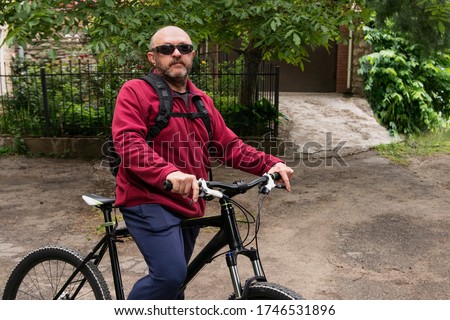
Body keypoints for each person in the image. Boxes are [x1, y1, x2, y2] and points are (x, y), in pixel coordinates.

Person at [111, 25, 294, 300]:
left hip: (189, 200)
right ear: (153, 58)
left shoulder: (201, 101)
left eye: (183, 48)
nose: (176, 54)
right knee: (169, 276)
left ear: (192, 55)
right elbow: (129, 143)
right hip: (147, 199)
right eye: (166, 49)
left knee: (175, 284)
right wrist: (169, 173)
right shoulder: (135, 91)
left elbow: (230, 146)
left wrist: (270, 164)